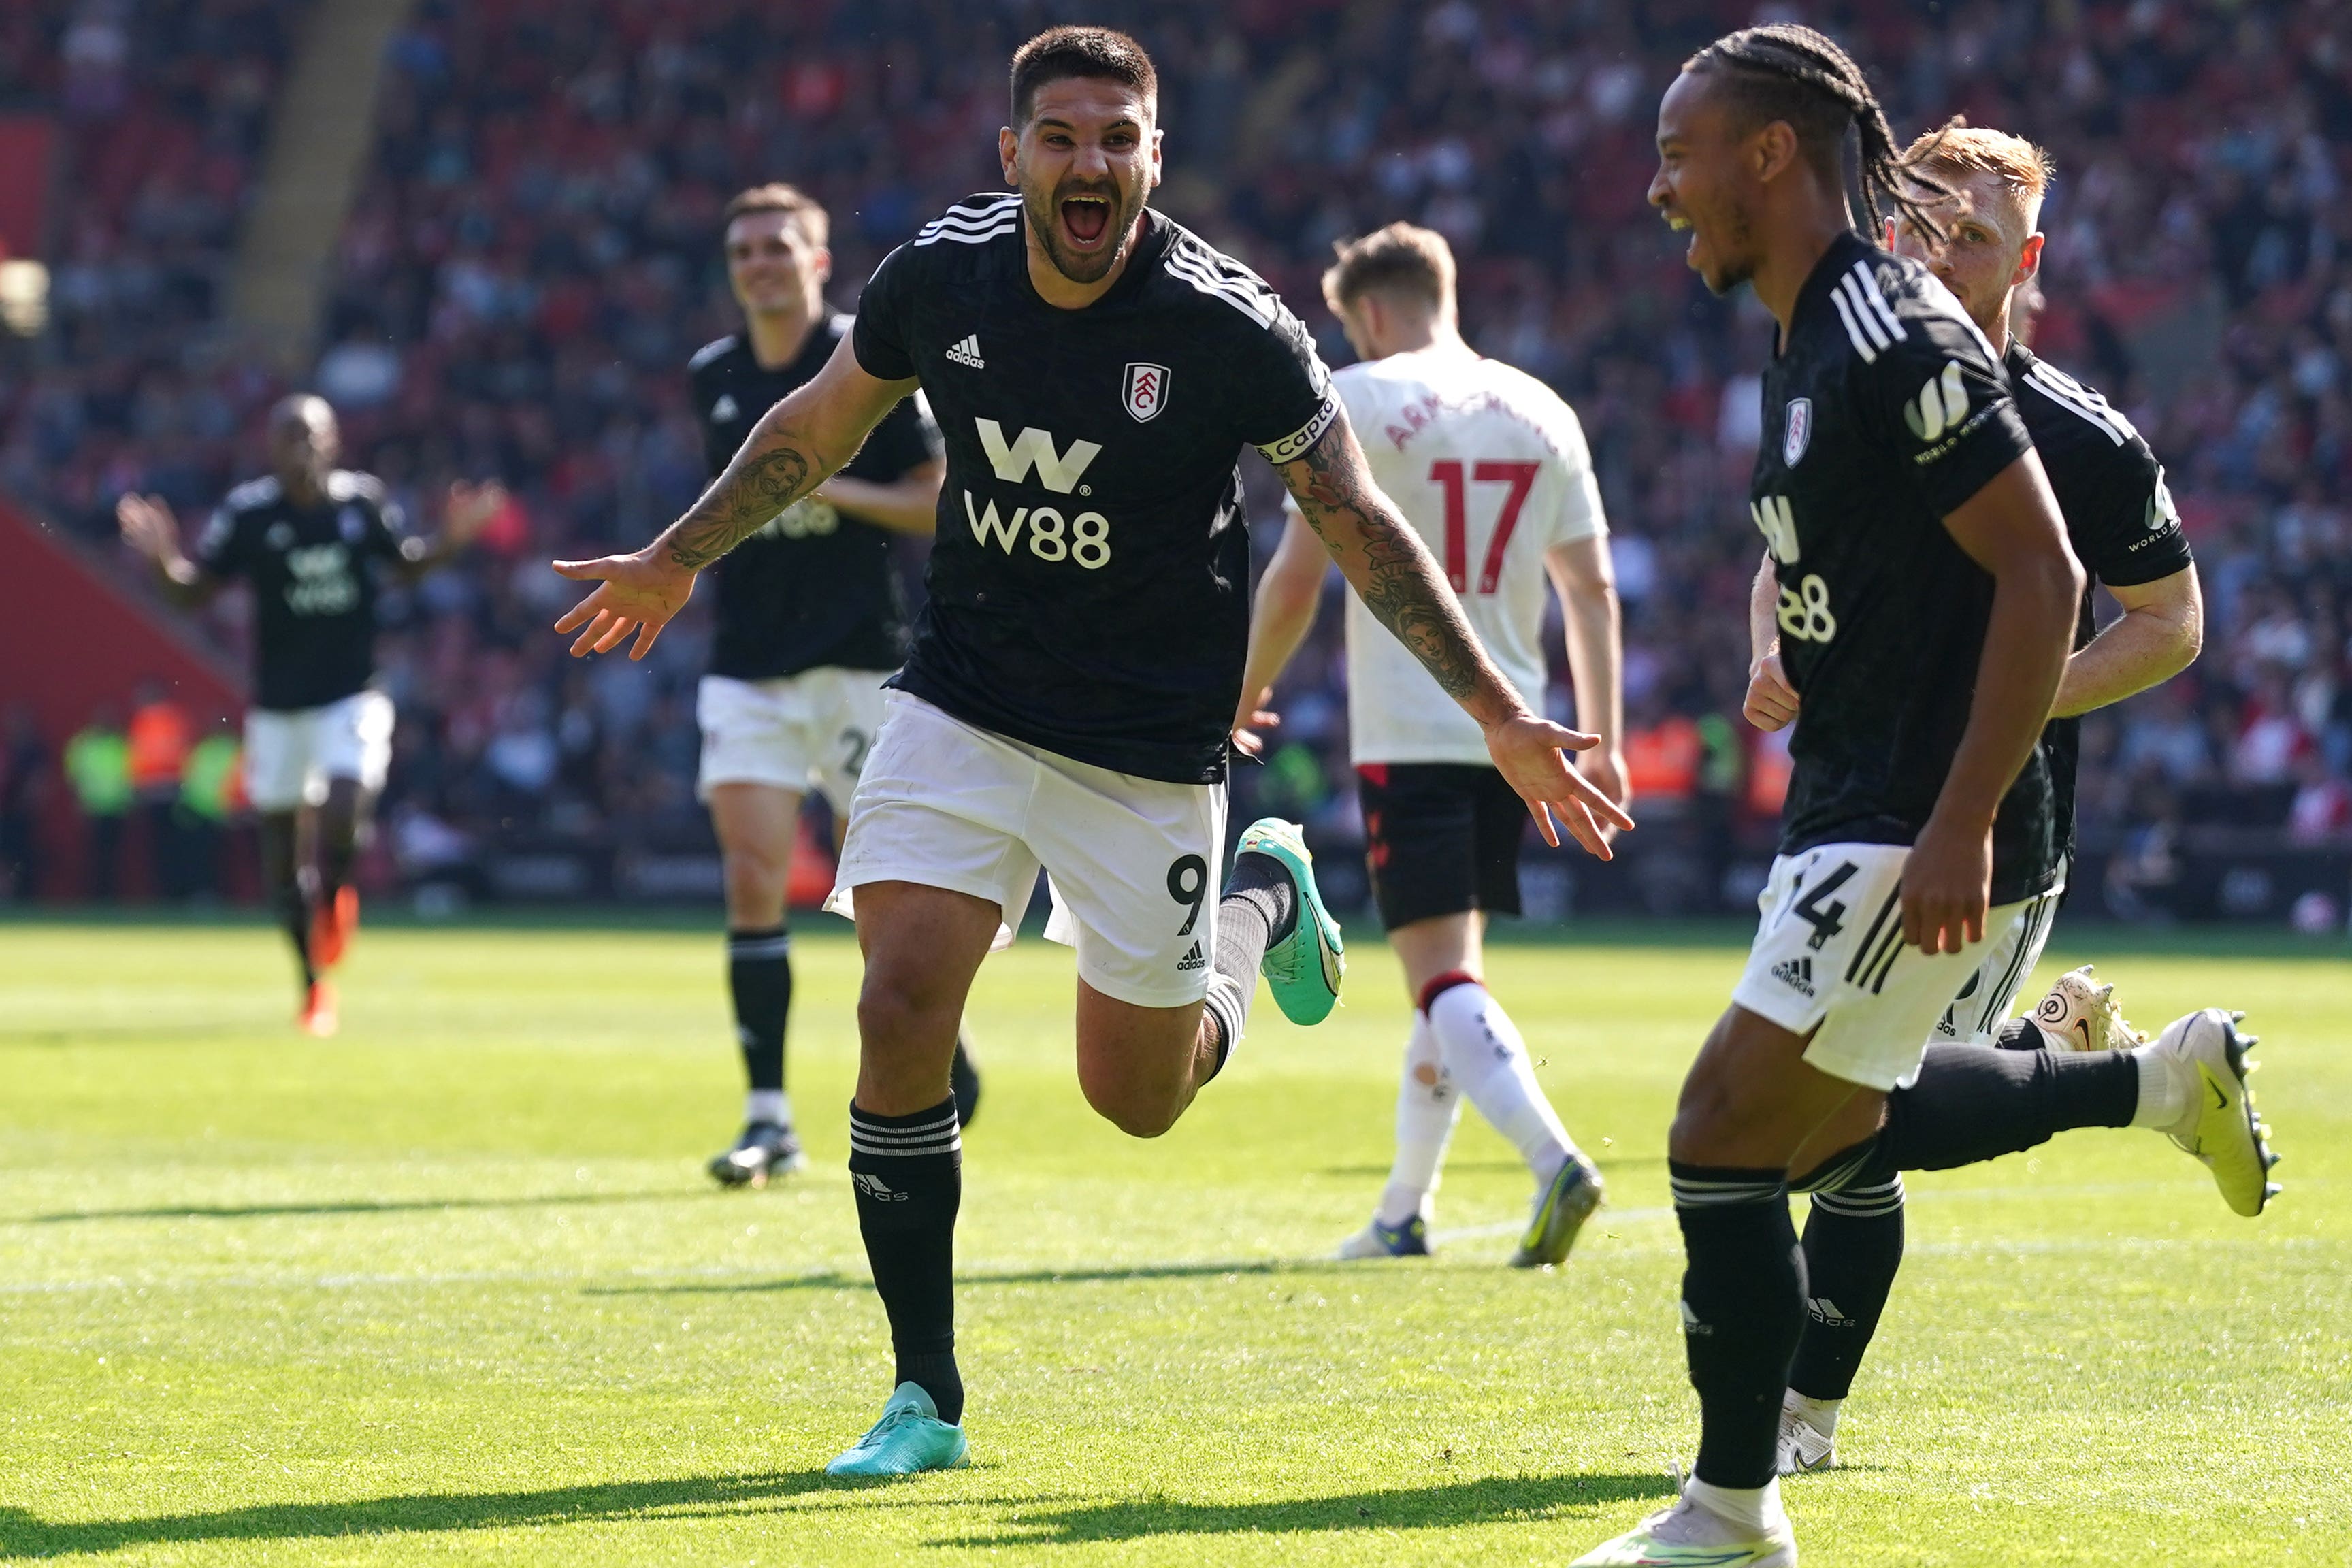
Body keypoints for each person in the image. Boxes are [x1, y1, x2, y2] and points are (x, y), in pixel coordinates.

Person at [551, 25, 1631, 1480]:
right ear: (1012, 155)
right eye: (1061, 137)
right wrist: (679, 558)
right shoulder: (941, 274)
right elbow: (816, 424)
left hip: (1145, 743)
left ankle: (1259, 899)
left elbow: (1356, 519)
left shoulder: (1232, 326)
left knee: (1138, 1099)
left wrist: (1502, 711)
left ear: (1154, 161)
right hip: (965, 700)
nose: (1090, 165)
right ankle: (923, 1395)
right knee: (898, 1003)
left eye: (1118, 141)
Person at [1577, 27, 2091, 1565]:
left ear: (1766, 155)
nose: (1658, 190)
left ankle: (1731, 1510)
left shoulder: (1885, 327)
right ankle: (2130, 1080)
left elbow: (2042, 571)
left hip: (1894, 821)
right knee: (1803, 1138)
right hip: (1849, 804)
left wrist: (1959, 820)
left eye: (1679, 156)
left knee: (1722, 1134)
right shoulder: (1806, 333)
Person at [1747, 123, 2276, 1477]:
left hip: (1985, 833)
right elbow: (1781, 542)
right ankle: (2081, 1059)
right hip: (1839, 801)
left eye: (1968, 236)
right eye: (1914, 223)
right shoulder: (1830, 365)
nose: (1930, 252)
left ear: (2025, 262)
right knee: (1837, 1125)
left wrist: (2014, 703)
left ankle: (1798, 1422)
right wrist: (1770, 646)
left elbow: (2170, 622)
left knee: (1831, 1123)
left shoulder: (2080, 437)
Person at [1235, 220, 1623, 1269]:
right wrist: (1609, 741)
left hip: (1413, 725)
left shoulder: (1353, 398)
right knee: (1455, 971)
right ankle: (1404, 1213)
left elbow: (1293, 581)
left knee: (1440, 977)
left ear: (1364, 313)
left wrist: (1244, 689)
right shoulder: (1544, 410)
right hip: (1520, 733)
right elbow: (1591, 588)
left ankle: (1553, 1162)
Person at [687, 182, 982, 1189]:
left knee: (885, 901)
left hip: (862, 658)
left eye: (780, 245)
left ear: (818, 261)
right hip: (749, 665)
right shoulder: (714, 375)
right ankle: (768, 1115)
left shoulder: (873, 356)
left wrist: (819, 481)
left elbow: (933, 501)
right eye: (745, 249)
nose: (760, 262)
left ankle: (936, 1048)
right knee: (750, 877)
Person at [117, 395, 500, 1036]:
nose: (300, 446)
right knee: (279, 859)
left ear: (333, 441)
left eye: (310, 433)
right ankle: (312, 987)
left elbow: (405, 567)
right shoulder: (249, 513)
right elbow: (192, 594)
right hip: (278, 708)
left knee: (344, 807)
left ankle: (340, 887)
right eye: (287, 435)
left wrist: (451, 542)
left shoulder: (361, 503)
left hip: (351, 692)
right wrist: (161, 560)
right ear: (269, 447)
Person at [63, 704, 130, 901]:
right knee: (93, 855)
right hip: (91, 807)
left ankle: (109, 896)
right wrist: (78, 802)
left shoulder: (121, 744)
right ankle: (94, 896)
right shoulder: (83, 744)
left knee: (113, 857)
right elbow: (73, 776)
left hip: (116, 807)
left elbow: (130, 775)